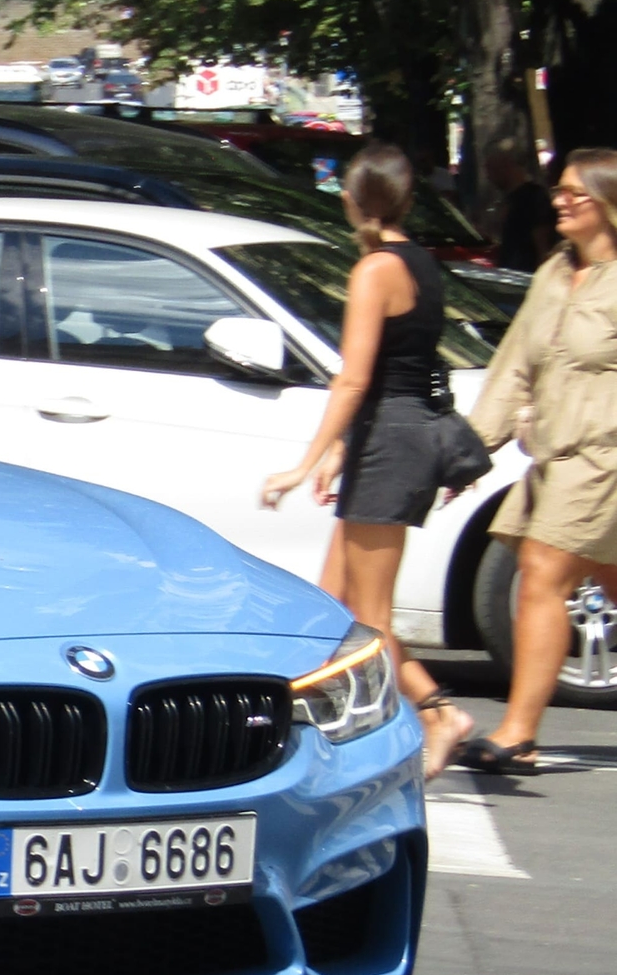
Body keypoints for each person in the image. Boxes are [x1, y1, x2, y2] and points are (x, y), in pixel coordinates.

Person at [261, 145, 473, 775]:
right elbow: (397, 371)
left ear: (353, 200)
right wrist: (344, 451)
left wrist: (308, 461)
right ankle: (333, 735)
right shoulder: (419, 263)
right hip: (391, 438)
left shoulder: (375, 269)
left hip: (392, 445)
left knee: (370, 618)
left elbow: (353, 380)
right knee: (337, 603)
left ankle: (431, 718)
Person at [455, 149, 617, 771]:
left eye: (577, 193)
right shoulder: (554, 272)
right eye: (559, 191)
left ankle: (519, 732)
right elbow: (515, 365)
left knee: (543, 574)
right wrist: (474, 448)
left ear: (607, 203)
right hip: (553, 454)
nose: (561, 200)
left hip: (604, 456)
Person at [484, 141, 558, 274]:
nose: (488, 176)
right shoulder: (506, 199)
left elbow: (543, 244)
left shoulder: (533, 197)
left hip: (526, 276)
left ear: (506, 166)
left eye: (491, 168)